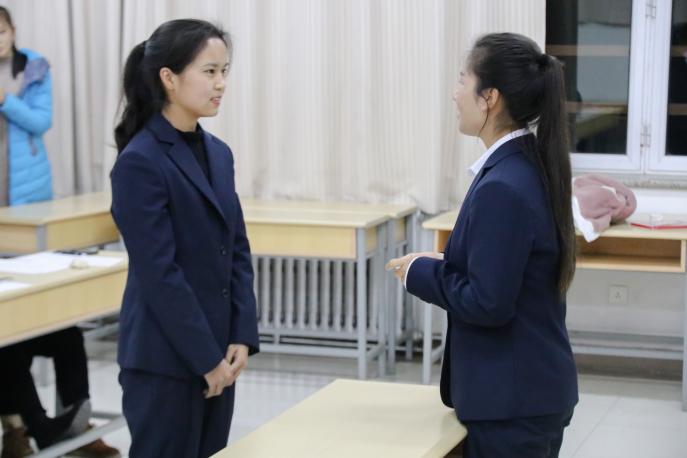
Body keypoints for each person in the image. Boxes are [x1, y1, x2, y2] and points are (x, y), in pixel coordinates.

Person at [387, 33, 578, 458]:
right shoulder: (523, 164)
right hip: (526, 393)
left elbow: (489, 303)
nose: (455, 94)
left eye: (462, 80)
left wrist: (419, 272)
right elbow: (508, 268)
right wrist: (447, 261)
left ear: (489, 97)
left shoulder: (504, 185)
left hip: (513, 402)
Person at [110, 19, 260, 458]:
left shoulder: (219, 153)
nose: (221, 84)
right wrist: (205, 358)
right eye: (209, 72)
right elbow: (160, 274)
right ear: (169, 78)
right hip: (165, 360)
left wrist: (240, 334)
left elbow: (236, 249)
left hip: (218, 353)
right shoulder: (140, 161)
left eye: (224, 71)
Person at [0, 7, 119, 457]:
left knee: (60, 326)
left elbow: (40, 121)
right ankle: (23, 428)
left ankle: (76, 426)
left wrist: (4, 99)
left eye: (1, 31)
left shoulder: (32, 69)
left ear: (13, 31)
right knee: (7, 331)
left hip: (25, 202)